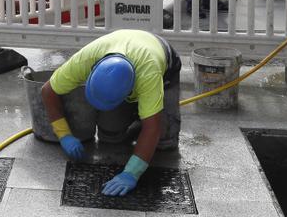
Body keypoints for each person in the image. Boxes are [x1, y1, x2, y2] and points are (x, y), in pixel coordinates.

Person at [40, 29, 181, 197]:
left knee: (165, 143)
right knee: (110, 135)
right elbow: (48, 91)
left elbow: (153, 128)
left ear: (128, 92)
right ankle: (141, 115)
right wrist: (64, 135)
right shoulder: (85, 60)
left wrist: (131, 173)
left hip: (164, 65)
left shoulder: (149, 75)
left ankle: (144, 114)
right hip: (124, 48)